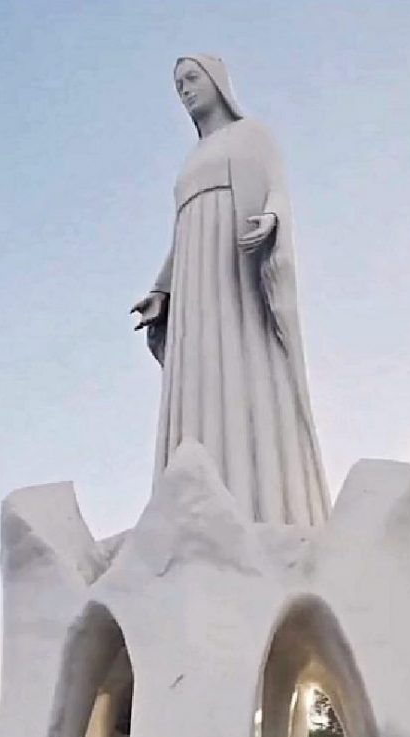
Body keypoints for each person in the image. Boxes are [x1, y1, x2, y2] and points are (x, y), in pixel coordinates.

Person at [132, 55, 328, 525]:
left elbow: (276, 188)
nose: (185, 90)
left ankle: (263, 502)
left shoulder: (251, 134)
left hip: (237, 273)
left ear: (218, 82)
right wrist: (163, 289)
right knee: (200, 378)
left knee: (244, 362)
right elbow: (182, 234)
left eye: (192, 78)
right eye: (179, 84)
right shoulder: (191, 159)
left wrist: (272, 218)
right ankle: (193, 513)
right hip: (195, 289)